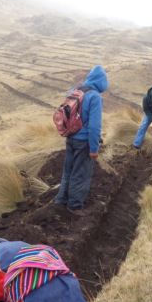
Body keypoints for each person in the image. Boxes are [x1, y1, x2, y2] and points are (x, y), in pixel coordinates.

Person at [54, 65, 108, 214]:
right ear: (101, 81)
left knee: (68, 171)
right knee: (81, 174)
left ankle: (61, 201)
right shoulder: (95, 96)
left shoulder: (77, 91)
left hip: (70, 137)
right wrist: (94, 149)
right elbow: (94, 127)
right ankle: (75, 206)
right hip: (83, 142)